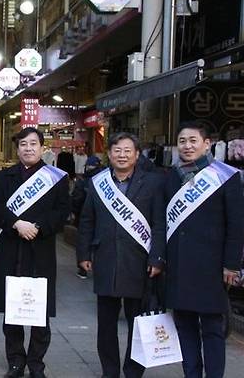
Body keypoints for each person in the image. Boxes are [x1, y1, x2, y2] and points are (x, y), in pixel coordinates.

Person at [77, 132, 165, 378]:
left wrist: (157, 257)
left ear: (137, 155)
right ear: (109, 154)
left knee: (138, 323)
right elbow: (86, 220)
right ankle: (110, 370)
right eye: (117, 150)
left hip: (140, 263)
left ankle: (134, 370)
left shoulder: (153, 183)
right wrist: (83, 253)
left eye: (128, 150)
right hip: (106, 259)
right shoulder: (97, 182)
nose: (122, 155)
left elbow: (159, 224)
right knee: (106, 325)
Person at [0, 128, 70, 378]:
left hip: (40, 250)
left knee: (39, 314)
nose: (28, 148)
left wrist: (39, 227)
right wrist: (16, 223)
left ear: (42, 147)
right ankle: (15, 362)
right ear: (18, 148)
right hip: (11, 249)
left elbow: (63, 210)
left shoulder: (56, 177)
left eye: (33, 143)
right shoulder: (3, 177)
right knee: (12, 313)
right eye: (23, 144)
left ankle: (36, 364)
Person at [164, 121, 244, 378]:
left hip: (211, 266)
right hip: (179, 264)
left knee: (212, 328)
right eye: (182, 141)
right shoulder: (171, 177)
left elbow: (236, 224)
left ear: (206, 144)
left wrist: (231, 264)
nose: (187, 146)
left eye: (193, 141)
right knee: (184, 326)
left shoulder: (226, 176)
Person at [71, 155, 104, 279]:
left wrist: (75, 212)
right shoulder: (106, 180)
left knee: (84, 241)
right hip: (102, 218)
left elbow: (76, 199)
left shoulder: (83, 180)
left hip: (84, 216)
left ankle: (83, 268)